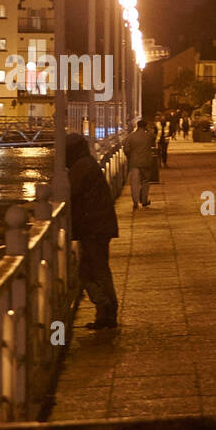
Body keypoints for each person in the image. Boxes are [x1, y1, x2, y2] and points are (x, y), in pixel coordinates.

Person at [65, 132, 119, 329]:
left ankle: (106, 309)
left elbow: (70, 192)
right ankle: (105, 311)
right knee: (95, 269)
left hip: (93, 228)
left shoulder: (81, 167)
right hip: (98, 225)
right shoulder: (86, 164)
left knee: (93, 270)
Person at [124, 118, 156, 209]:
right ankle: (144, 200)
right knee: (145, 182)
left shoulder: (131, 136)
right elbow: (154, 140)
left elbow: (126, 148)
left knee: (135, 183)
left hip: (134, 162)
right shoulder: (149, 135)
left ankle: (135, 201)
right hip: (146, 162)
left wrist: (129, 156)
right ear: (145, 126)